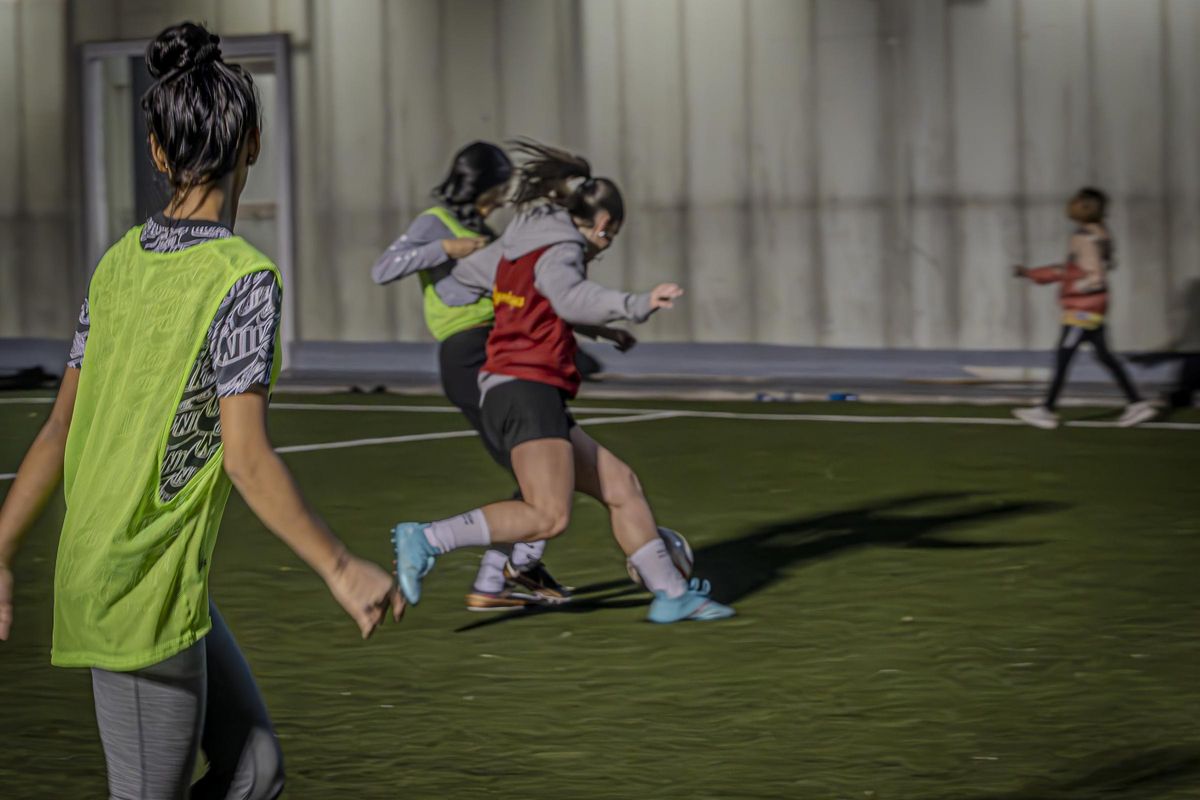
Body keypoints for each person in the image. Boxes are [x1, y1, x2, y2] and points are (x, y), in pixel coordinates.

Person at [0, 23, 397, 800]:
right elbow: (246, 459)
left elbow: (56, 428)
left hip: (154, 579)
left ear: (156, 151)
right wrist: (343, 569)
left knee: (255, 772)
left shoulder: (118, 261)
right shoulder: (243, 280)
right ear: (253, 143)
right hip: (134, 588)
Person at [390, 139, 734, 624]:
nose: (604, 243)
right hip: (523, 388)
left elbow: (482, 283)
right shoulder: (562, 247)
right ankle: (426, 539)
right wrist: (637, 303)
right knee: (548, 513)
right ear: (603, 226)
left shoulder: (520, 241)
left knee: (621, 485)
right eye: (608, 234)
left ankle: (671, 594)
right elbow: (569, 297)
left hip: (515, 386)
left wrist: (599, 329)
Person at [371, 142, 574, 611]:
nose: (506, 195)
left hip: (499, 350)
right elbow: (383, 269)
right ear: (485, 183)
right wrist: (447, 248)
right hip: (470, 356)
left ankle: (496, 579)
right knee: (543, 469)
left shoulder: (484, 228)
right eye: (502, 185)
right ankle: (497, 568)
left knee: (541, 471)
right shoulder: (437, 222)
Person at [1012, 187, 1157, 429]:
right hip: (1095, 306)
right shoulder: (1100, 233)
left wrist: (1072, 289)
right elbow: (1073, 270)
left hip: (1082, 309)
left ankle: (1046, 411)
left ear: (1084, 207)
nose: (1070, 205)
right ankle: (1138, 404)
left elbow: (1094, 277)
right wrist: (1033, 273)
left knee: (1064, 357)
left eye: (1075, 202)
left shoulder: (1082, 237)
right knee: (1104, 356)